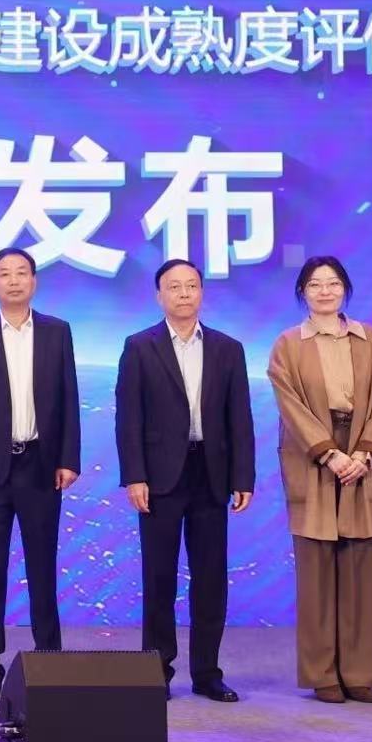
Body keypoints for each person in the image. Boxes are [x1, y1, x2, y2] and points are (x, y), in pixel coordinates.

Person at [115, 258, 255, 702]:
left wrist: (243, 476)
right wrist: (134, 476)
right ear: (160, 296)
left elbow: (240, 418)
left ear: (201, 293)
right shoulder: (140, 346)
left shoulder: (228, 348)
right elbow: (129, 418)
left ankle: (207, 673)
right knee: (159, 578)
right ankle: (155, 670)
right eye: (174, 287)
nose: (183, 293)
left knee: (210, 578)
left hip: (210, 473)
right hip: (159, 477)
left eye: (191, 285)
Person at [267, 256, 372, 705]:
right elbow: (291, 406)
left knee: (363, 568)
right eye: (315, 284)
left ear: (346, 289)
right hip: (314, 459)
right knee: (317, 571)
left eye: (334, 283)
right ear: (302, 292)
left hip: (363, 456)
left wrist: (363, 454)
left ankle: (360, 673)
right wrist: (329, 454)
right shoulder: (288, 344)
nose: (325, 291)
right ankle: (322, 673)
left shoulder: (371, 339)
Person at [0, 247, 81, 700]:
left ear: (34, 281)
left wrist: (69, 459)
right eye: (4, 274)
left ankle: (50, 660)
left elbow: (68, 399)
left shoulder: (57, 332)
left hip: (41, 466)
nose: (13, 281)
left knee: (43, 569)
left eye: (21, 273)